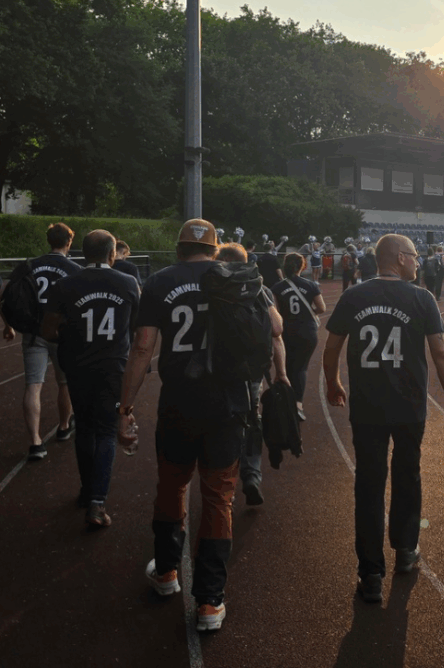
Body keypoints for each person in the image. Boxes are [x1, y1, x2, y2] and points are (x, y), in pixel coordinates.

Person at [117, 219, 281, 633]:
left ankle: (168, 573)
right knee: (219, 496)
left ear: (178, 248)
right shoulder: (239, 277)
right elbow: (277, 327)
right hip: (227, 402)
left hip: (180, 401)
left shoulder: (160, 281)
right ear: (214, 249)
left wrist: (126, 404)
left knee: (172, 485)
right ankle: (210, 601)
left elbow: (142, 346)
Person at [322, 233, 444, 604]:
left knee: (368, 485)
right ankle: (405, 550)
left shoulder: (354, 296)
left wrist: (332, 382)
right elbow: (442, 354)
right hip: (409, 407)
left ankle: (370, 573)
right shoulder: (421, 298)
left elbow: (333, 344)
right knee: (407, 475)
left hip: (367, 407)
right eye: (414, 256)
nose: (418, 262)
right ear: (400, 258)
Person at [39, 230, 140, 526]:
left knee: (84, 428)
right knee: (107, 431)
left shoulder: (65, 285)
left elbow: (47, 331)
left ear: (83, 254)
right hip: (113, 367)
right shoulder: (129, 282)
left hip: (78, 365)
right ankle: (97, 501)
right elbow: (136, 329)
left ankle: (86, 491)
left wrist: (70, 336)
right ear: (112, 254)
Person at [216, 243, 289, 507]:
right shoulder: (260, 287)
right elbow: (277, 329)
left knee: (222, 422)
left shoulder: (213, 285)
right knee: (252, 418)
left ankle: (223, 479)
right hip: (253, 368)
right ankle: (252, 475)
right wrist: (281, 373)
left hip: (219, 367)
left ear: (222, 260)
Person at [2, 222, 80, 460]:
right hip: (61, 334)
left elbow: (7, 298)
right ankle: (64, 426)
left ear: (48, 240)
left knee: (33, 385)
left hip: (34, 333)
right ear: (69, 242)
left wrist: (9, 325)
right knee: (65, 382)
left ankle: (36, 442)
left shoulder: (29, 266)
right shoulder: (75, 269)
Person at [271, 253, 326, 422]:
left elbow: (276, 313)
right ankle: (298, 405)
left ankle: (282, 404)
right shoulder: (310, 285)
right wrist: (307, 314)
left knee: (285, 368)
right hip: (307, 332)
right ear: (302, 266)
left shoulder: (277, 287)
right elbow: (322, 308)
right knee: (301, 368)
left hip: (287, 331)